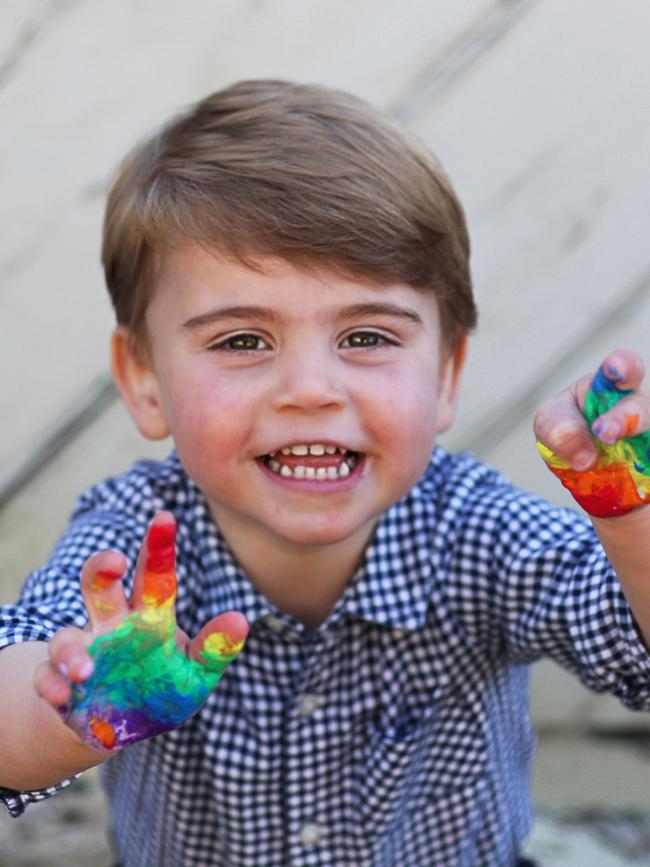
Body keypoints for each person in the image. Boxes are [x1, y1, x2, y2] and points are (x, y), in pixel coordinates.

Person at [0, 80, 649, 867]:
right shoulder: (134, 545)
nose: (311, 387)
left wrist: (629, 518)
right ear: (142, 377)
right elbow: (18, 680)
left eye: (367, 335)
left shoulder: (484, 530)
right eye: (242, 340)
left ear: (446, 373)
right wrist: (76, 715)